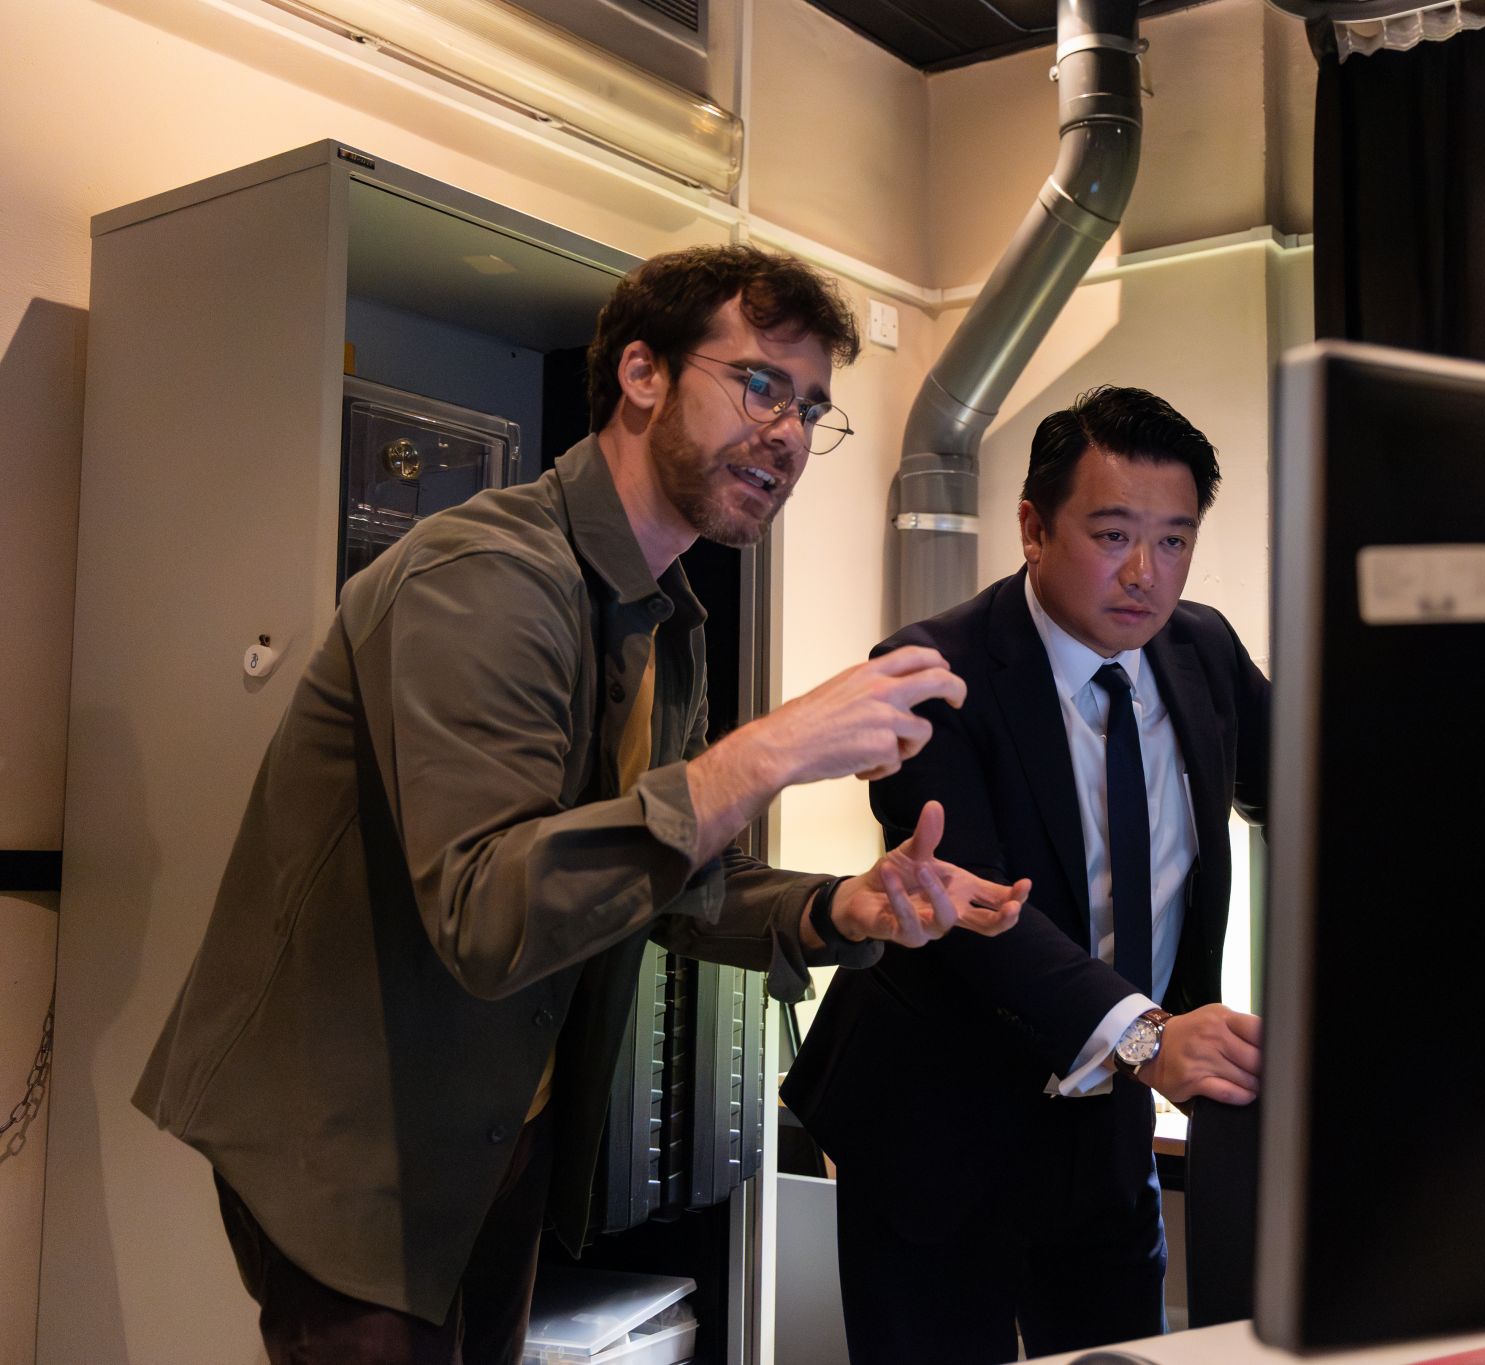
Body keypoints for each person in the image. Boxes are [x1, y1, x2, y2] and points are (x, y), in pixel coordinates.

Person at [132, 244, 1029, 1365]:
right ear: (642, 374)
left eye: (810, 408)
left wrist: (838, 907)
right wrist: (770, 750)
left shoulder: (662, 615)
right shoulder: (484, 574)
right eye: (759, 384)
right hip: (352, 1139)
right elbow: (487, 909)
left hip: (496, 1133)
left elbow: (672, 876)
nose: (790, 434)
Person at [783, 385, 1271, 1363]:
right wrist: (1148, 1036)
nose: (1144, 573)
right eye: (1112, 534)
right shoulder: (931, 669)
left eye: (1173, 540)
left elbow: (1305, 792)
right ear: (1033, 528)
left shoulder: (1202, 651)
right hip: (936, 1123)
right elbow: (974, 910)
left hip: (1102, 1127)